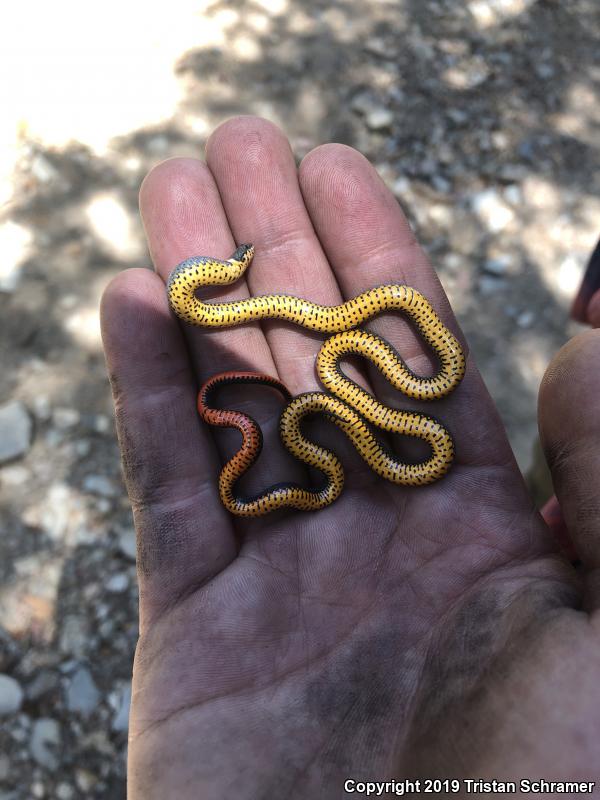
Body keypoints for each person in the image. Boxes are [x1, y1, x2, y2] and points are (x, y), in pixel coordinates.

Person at [100, 116, 600, 797]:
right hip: (343, 404)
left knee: (337, 368)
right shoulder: (329, 374)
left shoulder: (344, 370)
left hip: (355, 401)